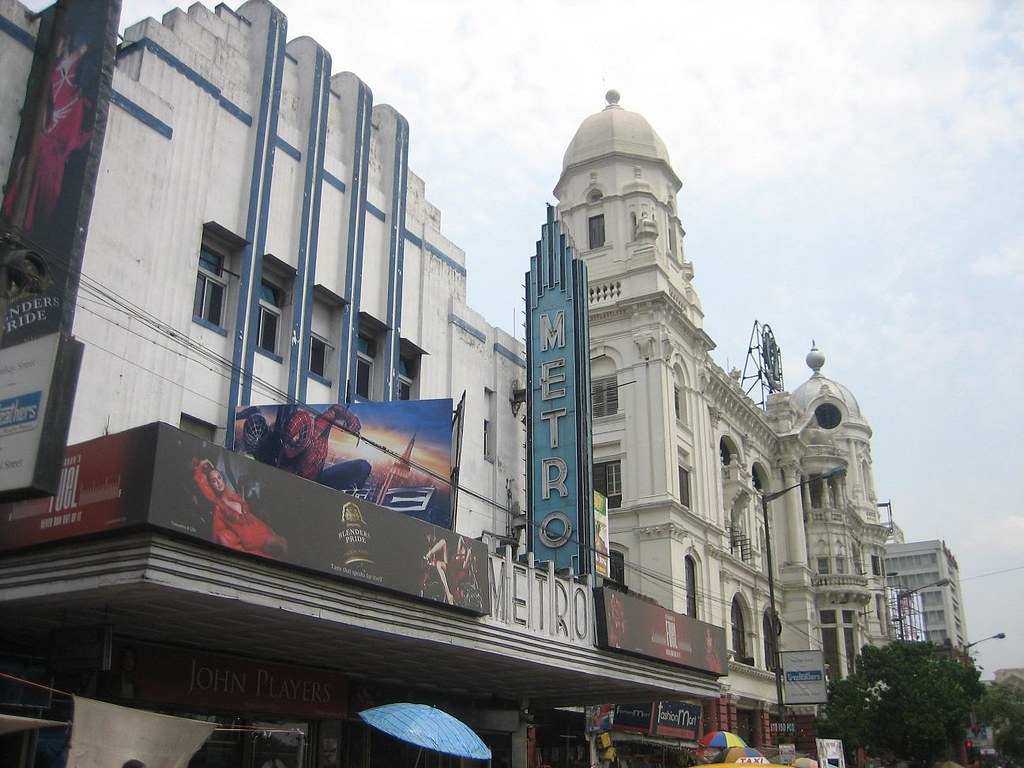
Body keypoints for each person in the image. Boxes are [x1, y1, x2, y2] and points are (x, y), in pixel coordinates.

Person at [238, 404, 371, 492]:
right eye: (288, 440)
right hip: (304, 491)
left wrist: (351, 418)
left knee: (362, 466)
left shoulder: (320, 426)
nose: (290, 445)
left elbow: (335, 409)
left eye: (294, 440)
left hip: (319, 481)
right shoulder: (286, 459)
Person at [193, 458, 288, 559]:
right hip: (250, 537)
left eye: (219, 478)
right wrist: (203, 463)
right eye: (214, 481)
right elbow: (199, 481)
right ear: (210, 486)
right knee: (281, 544)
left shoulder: (235, 497)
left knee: (280, 548)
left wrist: (268, 529)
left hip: (260, 529)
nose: (219, 482)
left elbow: (251, 517)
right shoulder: (220, 507)